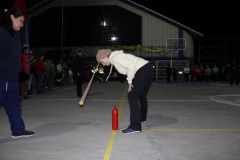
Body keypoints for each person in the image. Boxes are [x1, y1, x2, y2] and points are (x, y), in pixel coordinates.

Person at [96, 49, 155, 134]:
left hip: (143, 70)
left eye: (102, 61)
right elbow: (128, 69)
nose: (103, 63)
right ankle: (142, 118)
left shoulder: (115, 58)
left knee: (132, 97)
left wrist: (130, 81)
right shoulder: (116, 58)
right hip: (149, 69)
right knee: (141, 96)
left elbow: (131, 65)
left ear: (105, 56)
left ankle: (135, 126)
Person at [0, 8, 34, 138]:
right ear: (11, 17)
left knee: (14, 106)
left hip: (12, 79)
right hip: (1, 78)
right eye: (20, 21)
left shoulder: (15, 36)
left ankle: (18, 131)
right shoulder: (2, 33)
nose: (22, 24)